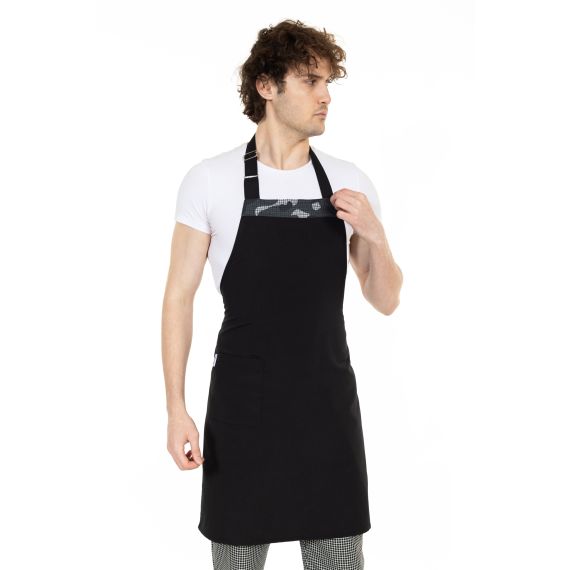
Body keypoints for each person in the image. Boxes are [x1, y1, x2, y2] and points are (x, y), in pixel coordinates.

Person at [162, 18, 403, 570]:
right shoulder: (211, 180)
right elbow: (178, 296)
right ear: (267, 86)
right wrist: (177, 409)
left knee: (338, 560)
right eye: (311, 81)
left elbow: (386, 299)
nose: (326, 97)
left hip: (327, 411)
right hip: (243, 412)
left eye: (328, 83)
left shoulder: (349, 182)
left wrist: (375, 234)